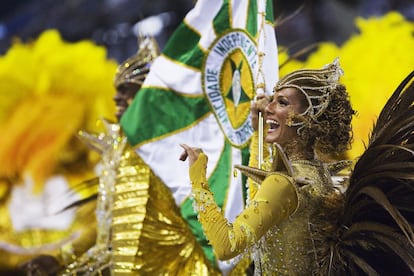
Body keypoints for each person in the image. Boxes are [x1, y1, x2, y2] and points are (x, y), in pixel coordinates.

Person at [181, 60, 414, 275]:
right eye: (272, 98)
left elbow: (227, 245)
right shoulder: (318, 173)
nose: (268, 107)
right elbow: (260, 201)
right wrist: (259, 133)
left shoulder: (283, 184)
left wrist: (198, 179)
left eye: (281, 102)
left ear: (308, 119)